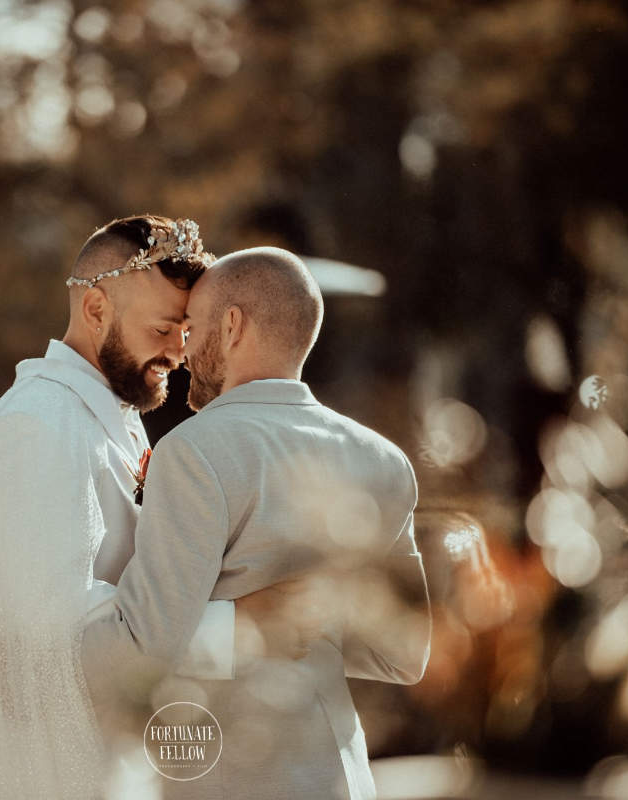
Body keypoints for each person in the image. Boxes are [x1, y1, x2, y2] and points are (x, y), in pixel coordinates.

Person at [0, 217, 320, 800]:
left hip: (112, 754)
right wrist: (239, 627)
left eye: (185, 330)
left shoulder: (107, 417)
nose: (179, 352)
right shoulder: (36, 425)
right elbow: (54, 630)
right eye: (163, 328)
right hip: (47, 774)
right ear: (96, 309)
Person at [82, 247, 433, 799]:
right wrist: (310, 617)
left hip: (231, 775)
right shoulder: (384, 461)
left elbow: (144, 650)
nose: (183, 352)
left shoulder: (194, 452)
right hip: (342, 777)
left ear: (231, 324)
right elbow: (405, 655)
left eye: (192, 329)